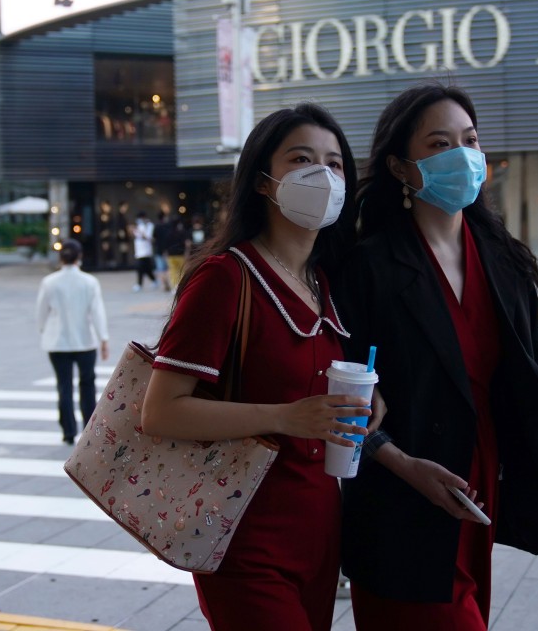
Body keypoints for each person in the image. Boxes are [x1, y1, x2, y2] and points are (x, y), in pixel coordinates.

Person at [334, 83, 538, 630]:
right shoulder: (367, 267)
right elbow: (343, 393)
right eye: (440, 144)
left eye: (470, 140)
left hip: (480, 484)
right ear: (399, 166)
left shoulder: (502, 260)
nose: (461, 156)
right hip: (401, 498)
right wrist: (400, 464)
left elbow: (537, 363)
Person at [141, 103, 377, 631]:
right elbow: (160, 411)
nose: (323, 175)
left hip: (319, 528)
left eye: (335, 163)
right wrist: (286, 416)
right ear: (264, 183)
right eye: (301, 159)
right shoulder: (227, 278)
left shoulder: (326, 283)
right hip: (241, 532)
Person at [35, 239, 109, 445]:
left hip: (57, 342)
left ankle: (68, 431)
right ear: (80, 256)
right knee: (87, 385)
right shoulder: (89, 281)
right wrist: (104, 338)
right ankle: (88, 428)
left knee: (64, 386)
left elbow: (41, 313)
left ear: (60, 258)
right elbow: (97, 312)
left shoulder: (49, 281)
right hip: (85, 340)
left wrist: (43, 331)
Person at [163, 217, 191, 291]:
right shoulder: (182, 232)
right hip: (180, 254)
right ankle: (182, 286)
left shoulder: (167, 233)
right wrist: (187, 253)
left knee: (173, 271)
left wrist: (165, 255)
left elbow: (165, 245)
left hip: (171, 255)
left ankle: (174, 286)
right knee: (181, 271)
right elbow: (187, 244)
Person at [131, 211, 156, 291]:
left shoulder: (149, 225)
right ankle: (154, 280)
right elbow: (136, 236)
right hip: (139, 251)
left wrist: (141, 232)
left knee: (140, 268)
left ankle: (139, 284)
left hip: (146, 251)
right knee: (146, 268)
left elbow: (148, 237)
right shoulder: (139, 225)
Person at [152, 212, 171, 291]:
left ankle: (164, 285)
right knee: (167, 268)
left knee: (160, 269)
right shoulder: (167, 226)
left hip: (158, 250)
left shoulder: (156, 226)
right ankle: (168, 284)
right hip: (167, 250)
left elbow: (153, 238)